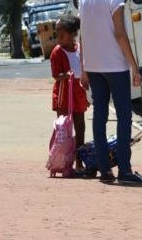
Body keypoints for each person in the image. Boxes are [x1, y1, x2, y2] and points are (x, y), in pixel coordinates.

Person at [78, 0, 142, 185]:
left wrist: (84, 68)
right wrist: (134, 66)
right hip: (114, 65)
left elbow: (83, 37)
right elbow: (120, 34)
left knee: (99, 116)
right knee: (124, 116)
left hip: (94, 65)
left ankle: (105, 169)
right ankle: (125, 169)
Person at [49, 14, 88, 172]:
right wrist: (65, 75)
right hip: (64, 93)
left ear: (72, 34)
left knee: (80, 126)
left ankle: (79, 160)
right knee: (63, 127)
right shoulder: (57, 52)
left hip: (78, 92)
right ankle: (62, 161)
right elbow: (55, 75)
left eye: (62, 35)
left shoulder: (81, 49)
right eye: (57, 35)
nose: (59, 39)